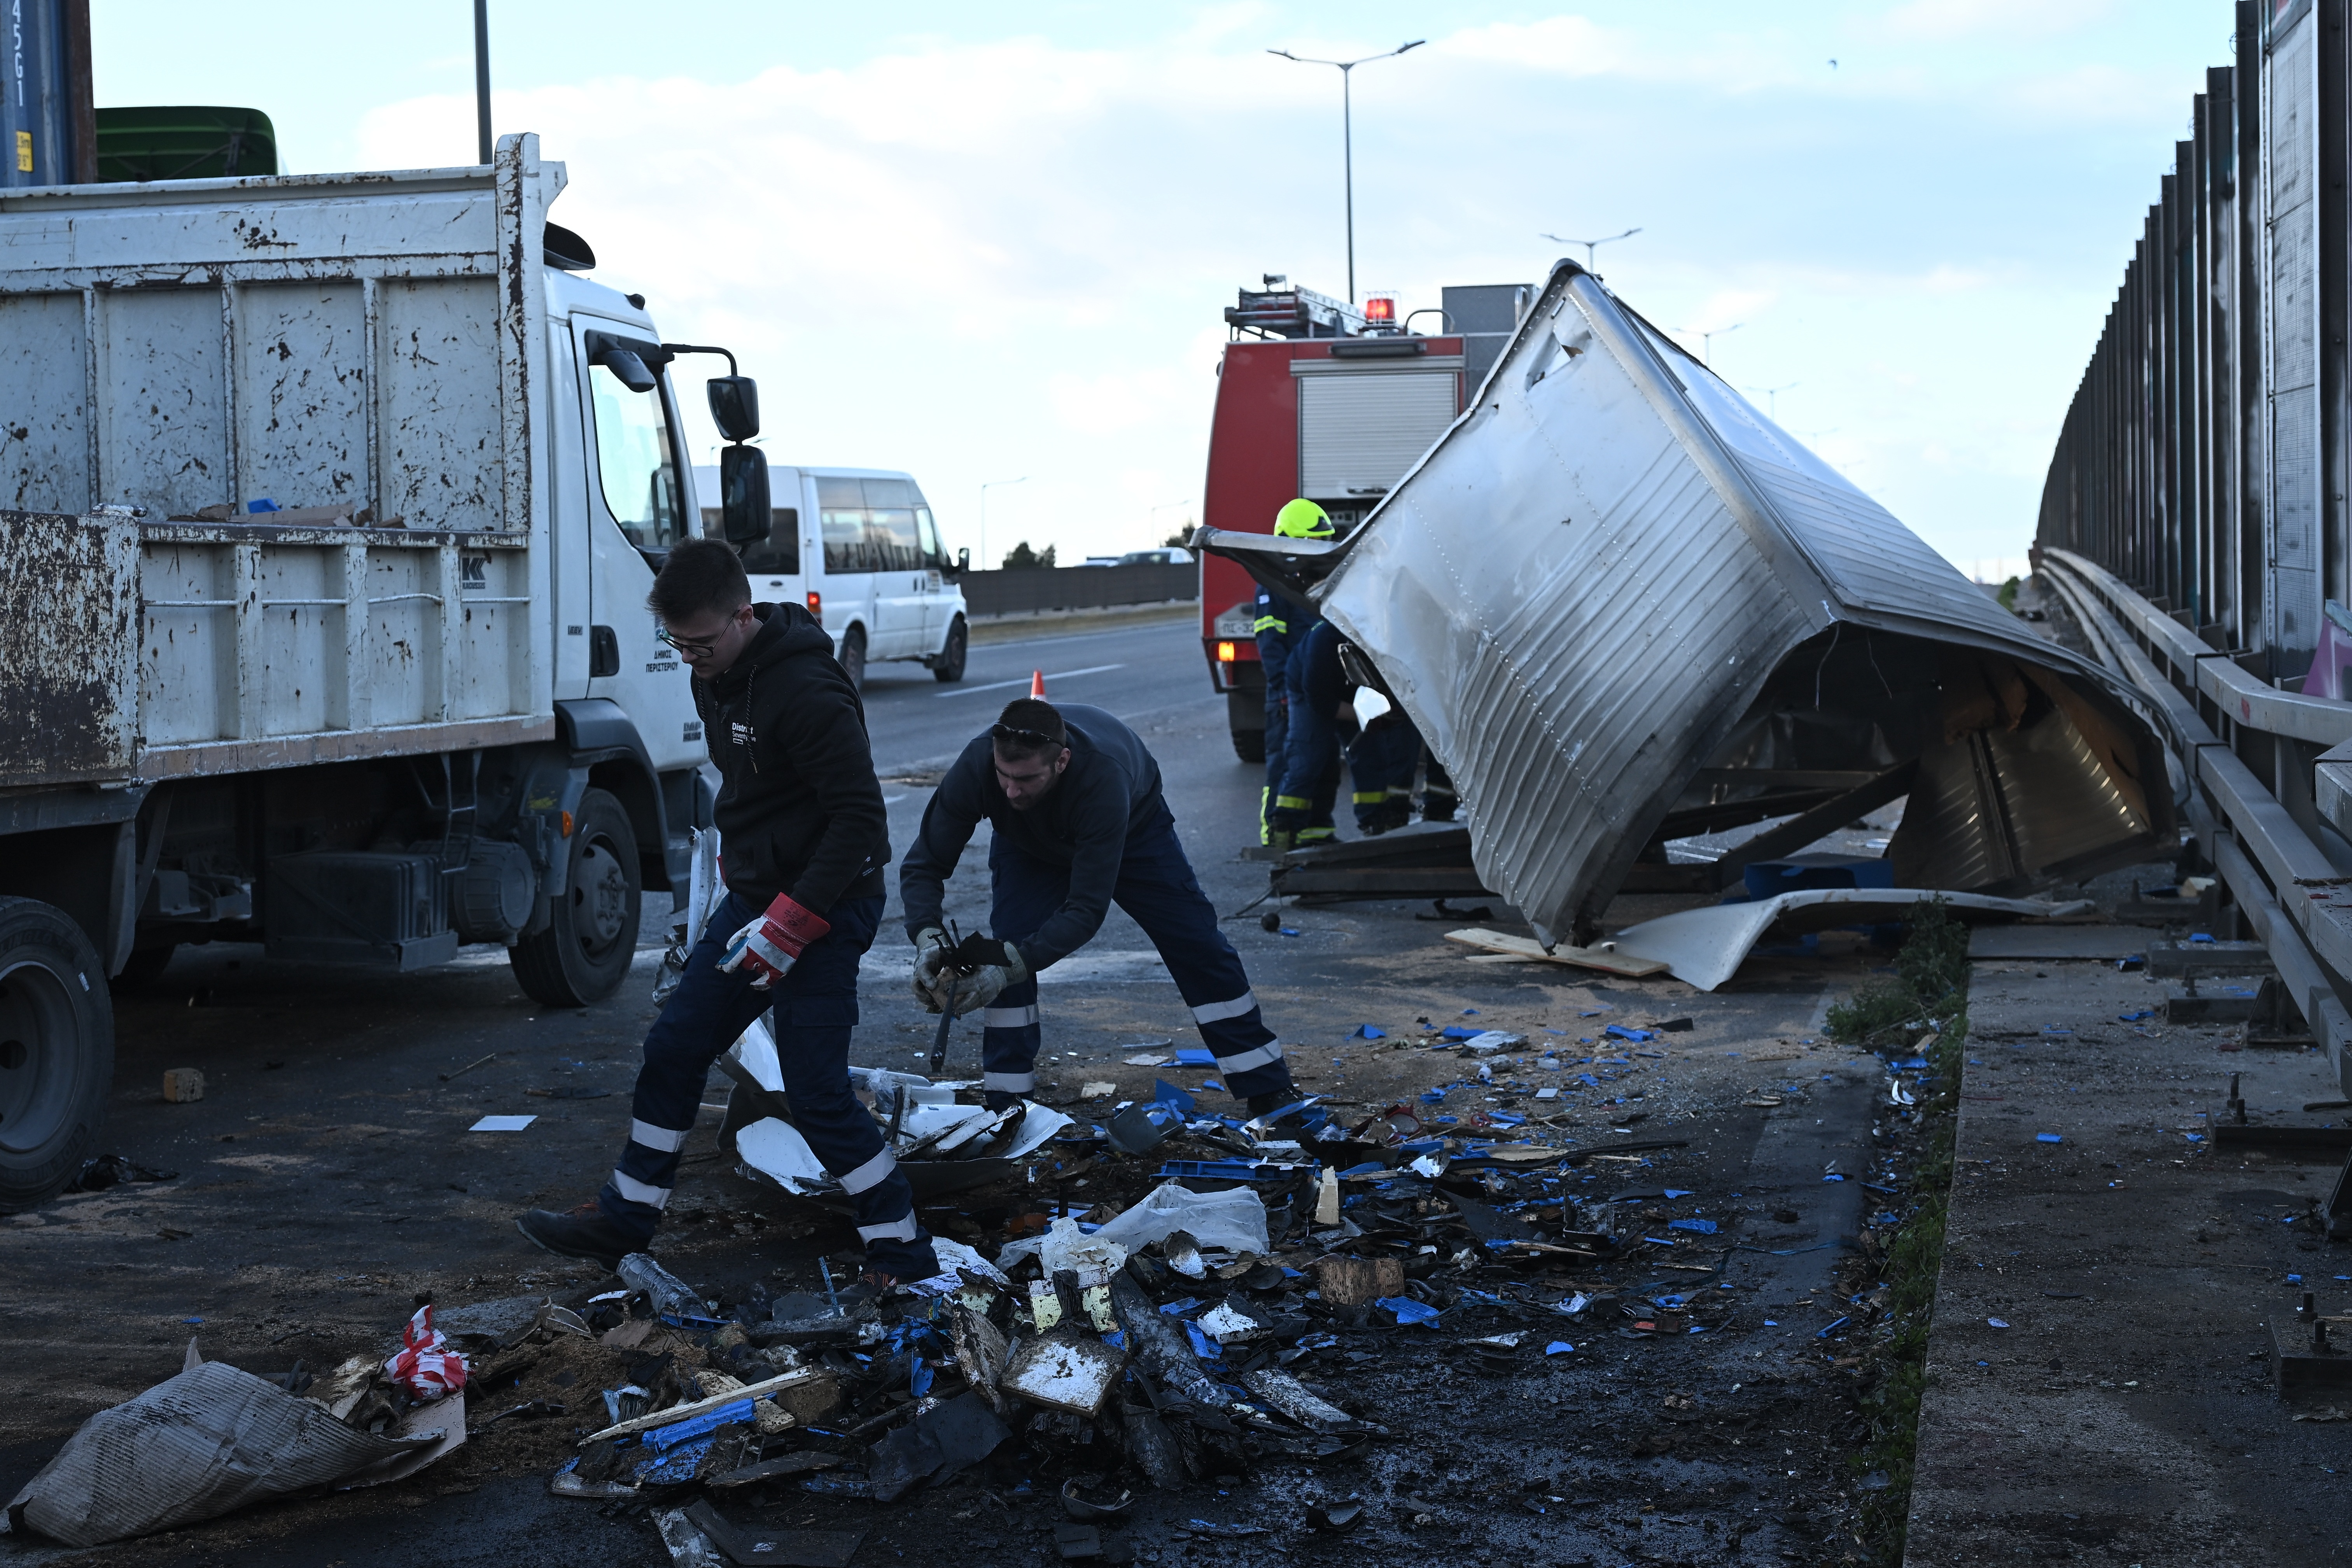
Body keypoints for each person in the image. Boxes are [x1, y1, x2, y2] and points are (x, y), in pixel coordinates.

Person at [516, 538, 937, 1286]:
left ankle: (903, 1251)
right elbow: (749, 796)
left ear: (744, 615)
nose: (689, 659)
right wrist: (722, 891)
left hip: (830, 903)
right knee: (675, 1047)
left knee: (814, 1089)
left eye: (701, 643)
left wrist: (792, 921)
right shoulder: (716, 673)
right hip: (753, 899)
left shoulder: (810, 692)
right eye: (676, 644)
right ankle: (627, 1217)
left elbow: (859, 824)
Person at [899, 698, 1301, 1116]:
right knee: (1005, 954)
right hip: (1029, 845)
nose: (1011, 790)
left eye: (1026, 779)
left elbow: (1086, 911)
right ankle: (1009, 1107)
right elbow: (924, 863)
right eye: (1004, 776)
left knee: (1198, 946)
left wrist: (1007, 969)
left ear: (1062, 761)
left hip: (1133, 833)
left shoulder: (1103, 777)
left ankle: (1267, 1086)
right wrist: (929, 940)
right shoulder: (979, 764)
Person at [1263, 499, 1341, 850]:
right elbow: (1270, 643)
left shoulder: (1312, 581)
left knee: (1323, 759)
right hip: (1288, 690)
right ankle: (1277, 834)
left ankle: (1316, 832)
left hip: (1313, 683)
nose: (1318, 551)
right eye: (1311, 542)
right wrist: (1281, 690)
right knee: (1288, 760)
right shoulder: (1275, 587)